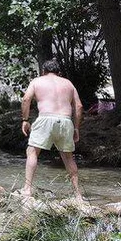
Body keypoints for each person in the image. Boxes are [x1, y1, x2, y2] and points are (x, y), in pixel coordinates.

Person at [21, 59, 83, 200]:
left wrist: (25, 120)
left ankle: (27, 189)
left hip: (46, 118)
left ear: (43, 71)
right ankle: (77, 194)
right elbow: (79, 107)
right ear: (58, 72)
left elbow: (26, 99)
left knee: (32, 152)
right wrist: (77, 128)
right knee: (68, 157)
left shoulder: (37, 81)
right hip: (66, 120)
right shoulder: (68, 83)